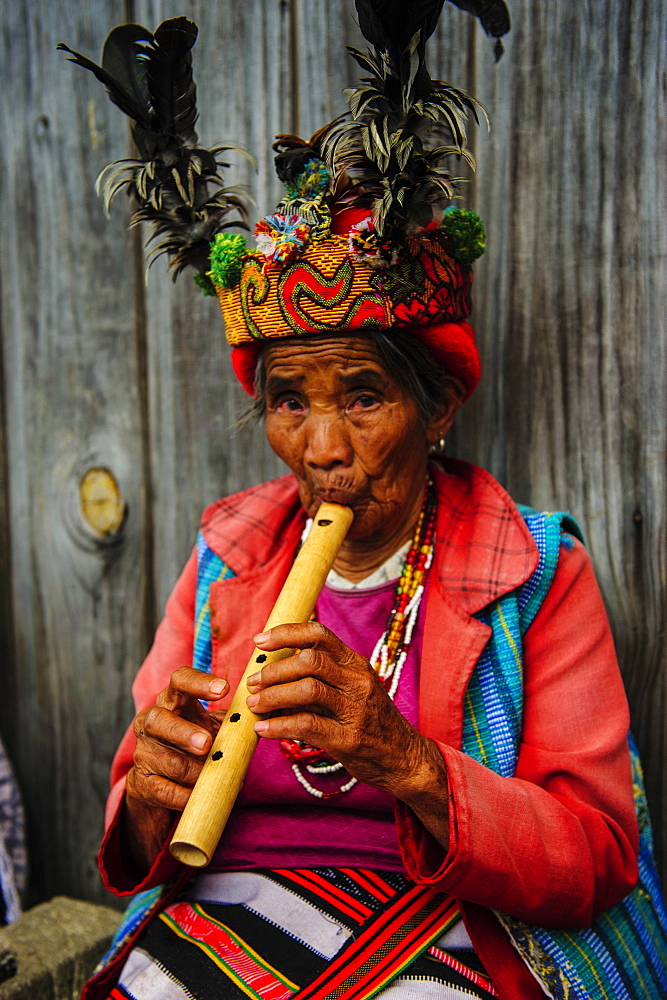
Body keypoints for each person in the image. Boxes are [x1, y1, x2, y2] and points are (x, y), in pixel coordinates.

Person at [64, 6, 667, 1000]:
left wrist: (405, 758)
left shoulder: (534, 570)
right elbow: (134, 841)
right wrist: (147, 800)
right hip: (233, 903)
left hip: (457, 924)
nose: (322, 446)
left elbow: (598, 853)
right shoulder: (228, 555)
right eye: (288, 401)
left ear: (437, 409)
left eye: (364, 395)